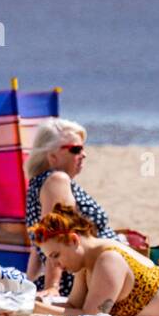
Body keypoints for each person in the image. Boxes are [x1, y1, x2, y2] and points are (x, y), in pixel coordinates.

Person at [30, 205, 159, 316]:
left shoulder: (108, 259)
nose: (54, 264)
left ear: (73, 240)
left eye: (56, 255)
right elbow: (74, 305)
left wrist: (34, 308)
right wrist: (35, 301)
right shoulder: (87, 262)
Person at [23, 118, 117, 299]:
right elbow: (58, 234)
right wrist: (52, 286)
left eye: (83, 148)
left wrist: (29, 282)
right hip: (85, 279)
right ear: (52, 156)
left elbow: (38, 246)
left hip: (87, 273)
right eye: (75, 149)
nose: (84, 154)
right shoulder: (57, 180)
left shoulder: (39, 183)